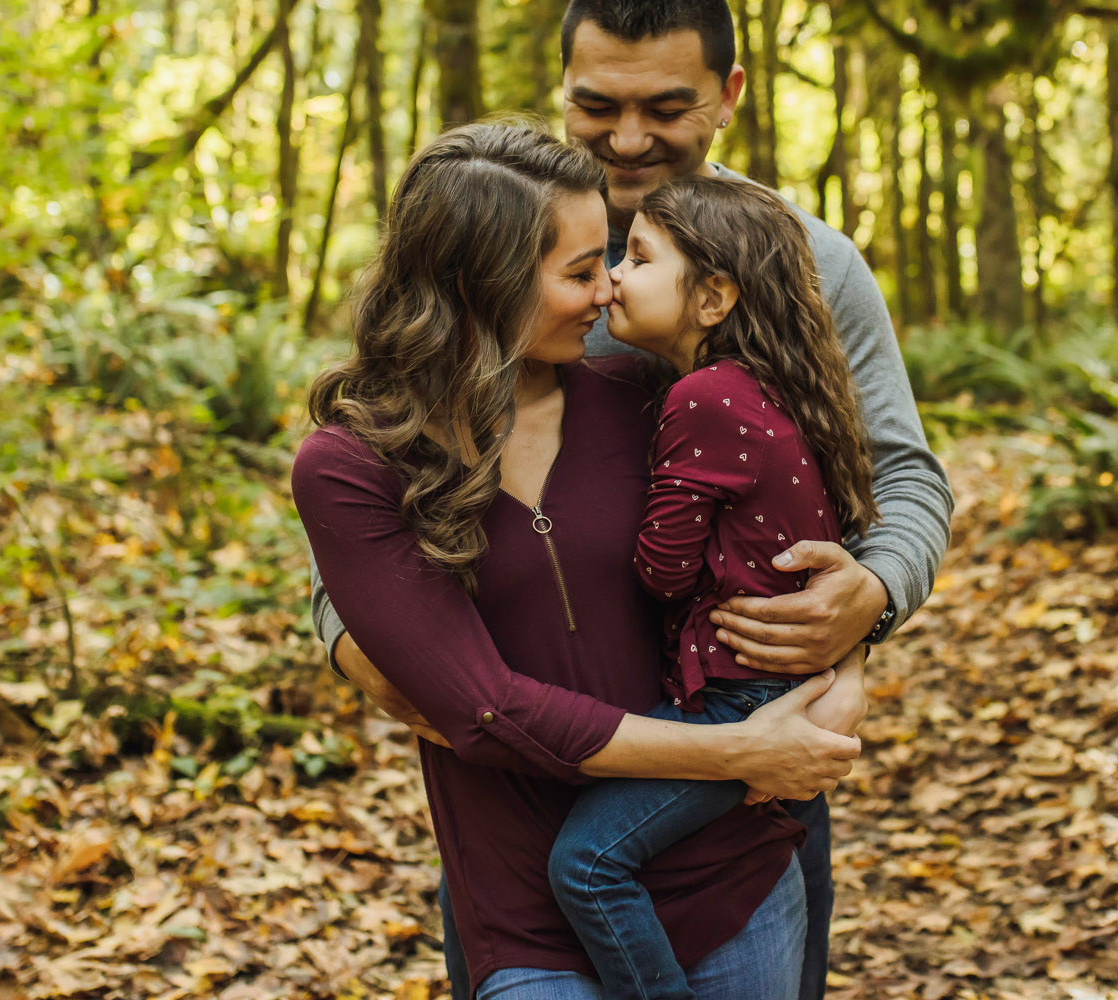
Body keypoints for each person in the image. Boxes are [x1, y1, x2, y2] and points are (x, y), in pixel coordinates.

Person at [310, 0, 954, 997]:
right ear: (561, 85)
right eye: (596, 105)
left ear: (729, 94)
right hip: (516, 805)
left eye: (667, 106)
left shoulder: (804, 262)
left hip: (738, 760)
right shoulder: (480, 244)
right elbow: (369, 491)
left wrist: (869, 601)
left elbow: (898, 475)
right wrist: (362, 645)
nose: (627, 137)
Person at [293, 121, 859, 1000]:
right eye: (580, 270)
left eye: (613, 261)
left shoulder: (648, 397)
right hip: (529, 909)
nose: (606, 294)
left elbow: (781, 545)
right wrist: (741, 751)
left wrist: (848, 648)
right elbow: (484, 709)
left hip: (727, 873)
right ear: (473, 282)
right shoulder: (352, 467)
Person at [547, 174, 877, 1000]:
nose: (615, 274)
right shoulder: (774, 389)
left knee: (586, 864)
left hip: (735, 698)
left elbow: (663, 568)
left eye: (640, 257)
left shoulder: (702, 398)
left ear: (712, 298)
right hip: (773, 685)